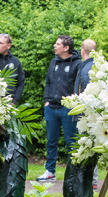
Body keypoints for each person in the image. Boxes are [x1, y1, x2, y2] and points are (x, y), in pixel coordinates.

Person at [37, 35, 82, 182]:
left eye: (57, 44)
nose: (54, 46)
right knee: (51, 141)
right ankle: (50, 172)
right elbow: (48, 82)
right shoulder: (53, 62)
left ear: (66, 47)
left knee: (71, 141)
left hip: (68, 109)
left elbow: (79, 85)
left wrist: (74, 103)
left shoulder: (77, 64)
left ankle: (73, 174)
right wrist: (46, 101)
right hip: (52, 107)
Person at [74, 38, 98, 188]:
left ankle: (90, 180)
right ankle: (92, 179)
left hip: (86, 114)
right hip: (96, 113)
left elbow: (83, 92)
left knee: (87, 144)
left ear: (82, 51)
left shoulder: (85, 69)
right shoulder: (99, 66)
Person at [0, 34, 25, 105]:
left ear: (8, 46)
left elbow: (21, 83)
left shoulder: (15, 62)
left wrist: (15, 100)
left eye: (1, 43)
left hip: (8, 102)